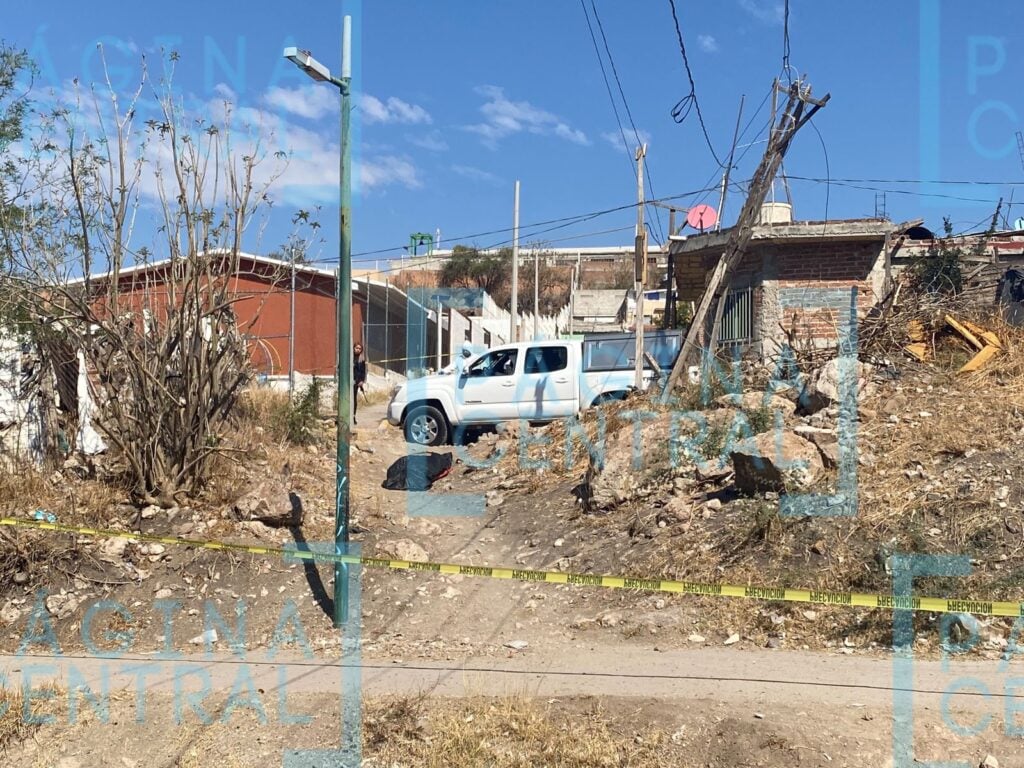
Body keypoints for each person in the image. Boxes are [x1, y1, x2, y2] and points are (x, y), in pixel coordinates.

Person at [353, 342, 366, 425]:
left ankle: (353, 416)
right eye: (356, 348)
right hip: (349, 381)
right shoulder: (350, 358)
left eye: (359, 348)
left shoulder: (362, 360)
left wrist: (361, 381)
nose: (358, 350)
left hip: (356, 383)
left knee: (354, 400)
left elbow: (363, 372)